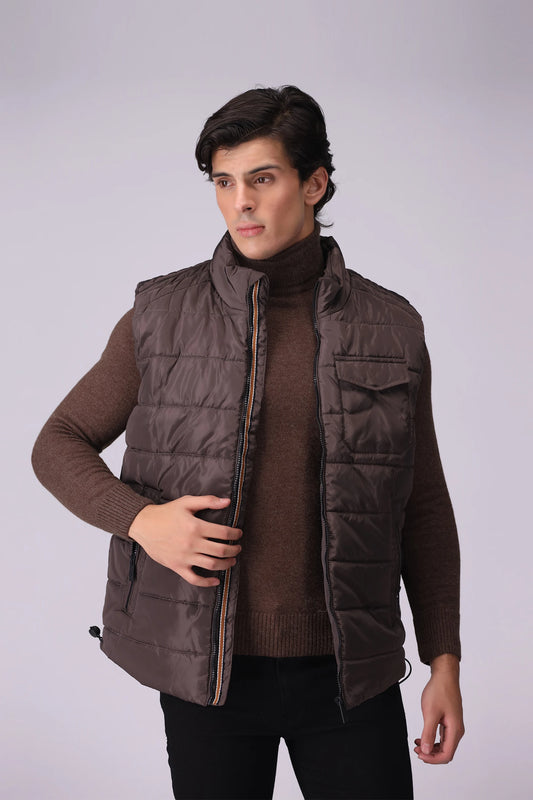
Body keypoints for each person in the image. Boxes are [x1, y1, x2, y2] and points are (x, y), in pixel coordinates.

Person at [32, 85, 464, 800]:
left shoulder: (391, 326)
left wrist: (443, 660)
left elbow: (422, 505)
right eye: (223, 182)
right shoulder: (161, 316)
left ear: (314, 184)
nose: (241, 203)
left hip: (350, 673)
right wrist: (142, 522)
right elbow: (58, 442)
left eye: (261, 179)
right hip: (207, 672)